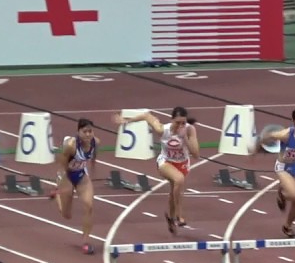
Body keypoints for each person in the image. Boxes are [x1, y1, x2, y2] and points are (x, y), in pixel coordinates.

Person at [113, 107, 200, 234]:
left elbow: (196, 154)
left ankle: (170, 218)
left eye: (183, 123)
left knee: (174, 189)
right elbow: (147, 116)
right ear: (172, 121)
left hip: (182, 164)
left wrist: (185, 138)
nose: (181, 125)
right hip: (166, 162)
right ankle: (179, 216)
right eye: (178, 123)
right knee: (179, 180)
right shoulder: (162, 130)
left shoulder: (190, 130)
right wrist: (125, 121)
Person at [259, 108, 295, 238]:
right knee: (294, 194)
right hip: (283, 167)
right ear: (293, 121)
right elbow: (269, 136)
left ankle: (287, 226)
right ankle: (282, 192)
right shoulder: (286, 134)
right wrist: (258, 146)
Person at [52, 118, 101, 253]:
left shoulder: (95, 143)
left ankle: (85, 241)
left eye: (90, 131)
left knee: (89, 206)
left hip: (81, 175)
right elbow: (61, 164)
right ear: (78, 132)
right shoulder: (71, 146)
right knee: (66, 215)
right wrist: (60, 183)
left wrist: (93, 173)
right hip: (67, 176)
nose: (87, 134)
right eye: (84, 131)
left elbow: (93, 159)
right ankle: (57, 195)